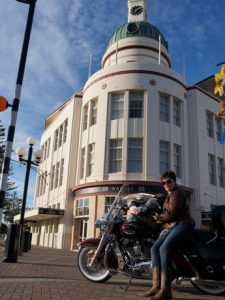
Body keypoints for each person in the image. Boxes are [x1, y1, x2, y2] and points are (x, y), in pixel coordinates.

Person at [141, 170, 195, 300]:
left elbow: (172, 214)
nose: (166, 184)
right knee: (154, 248)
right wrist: (165, 226)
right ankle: (156, 286)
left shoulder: (178, 193)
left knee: (164, 249)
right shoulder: (169, 195)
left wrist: (158, 218)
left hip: (183, 224)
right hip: (173, 225)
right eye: (163, 182)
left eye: (168, 181)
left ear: (174, 181)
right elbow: (170, 217)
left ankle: (166, 290)